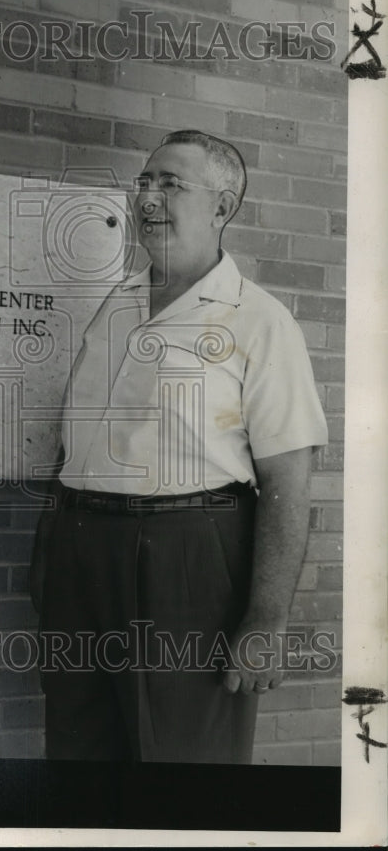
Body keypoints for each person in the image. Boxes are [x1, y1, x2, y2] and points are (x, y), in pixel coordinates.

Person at [31, 129, 328, 763]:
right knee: (79, 757)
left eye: (171, 183)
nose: (148, 196)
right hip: (83, 552)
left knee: (183, 767)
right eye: (144, 181)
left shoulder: (259, 320)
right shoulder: (117, 303)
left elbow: (288, 483)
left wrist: (267, 619)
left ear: (223, 207)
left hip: (188, 561)